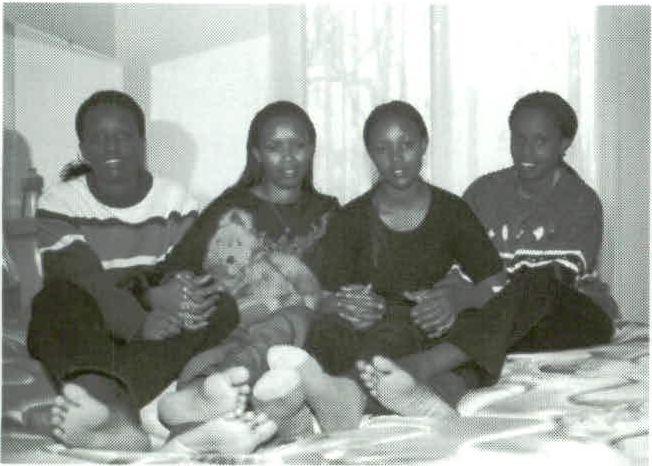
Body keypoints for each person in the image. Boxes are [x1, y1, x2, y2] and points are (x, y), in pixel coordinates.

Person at [27, 90, 241, 451]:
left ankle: (110, 412)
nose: (112, 146)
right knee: (55, 298)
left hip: (160, 337)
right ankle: (118, 407)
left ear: (142, 143)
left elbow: (182, 276)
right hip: (91, 329)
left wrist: (177, 294)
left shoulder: (177, 201)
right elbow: (85, 280)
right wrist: (144, 306)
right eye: (98, 137)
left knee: (219, 305)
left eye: (123, 135)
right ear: (83, 149)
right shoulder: (59, 201)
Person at [287, 101, 517, 432]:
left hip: (429, 324)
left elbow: (496, 284)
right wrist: (342, 305)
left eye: (407, 145)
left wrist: (457, 300)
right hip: (371, 328)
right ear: (370, 154)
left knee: (481, 330)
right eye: (383, 149)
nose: (396, 160)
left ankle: (370, 395)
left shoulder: (452, 211)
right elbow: (319, 296)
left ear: (424, 144)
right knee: (326, 334)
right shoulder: (350, 219)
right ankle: (329, 398)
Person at [153, 101, 339, 441]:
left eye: (298, 145)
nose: (288, 158)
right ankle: (197, 403)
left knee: (295, 328)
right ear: (256, 154)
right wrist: (180, 291)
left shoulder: (329, 212)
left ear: (312, 149)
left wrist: (348, 302)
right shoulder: (230, 207)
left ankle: (212, 395)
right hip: (236, 323)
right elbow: (175, 269)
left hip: (298, 331)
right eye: (274, 147)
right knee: (221, 349)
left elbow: (342, 282)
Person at [462, 90, 617, 351]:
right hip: (492, 309)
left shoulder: (581, 201)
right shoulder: (481, 192)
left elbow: (553, 281)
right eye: (519, 138)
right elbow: (458, 262)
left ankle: (454, 353)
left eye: (540, 141)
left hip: (563, 311)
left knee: (543, 292)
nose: (526, 151)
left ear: (564, 143)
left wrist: (472, 297)